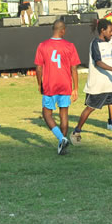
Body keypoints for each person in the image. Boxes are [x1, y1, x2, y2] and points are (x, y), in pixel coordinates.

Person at [34, 19, 80, 155]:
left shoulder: (43, 46)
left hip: (49, 84)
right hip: (65, 84)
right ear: (63, 31)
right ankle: (63, 143)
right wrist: (75, 88)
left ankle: (61, 139)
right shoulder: (70, 46)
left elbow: (38, 68)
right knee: (63, 113)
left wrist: (39, 83)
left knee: (46, 114)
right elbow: (74, 68)